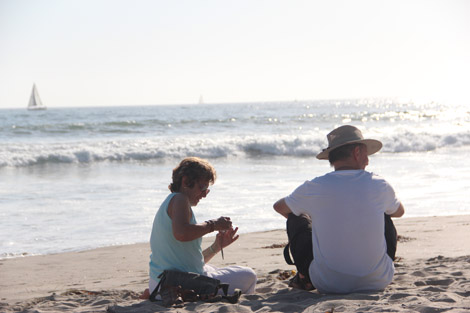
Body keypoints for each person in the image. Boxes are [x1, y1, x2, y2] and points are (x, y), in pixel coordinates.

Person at [273, 125, 405, 294]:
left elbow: (279, 207)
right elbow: (399, 212)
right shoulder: (379, 184)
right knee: (386, 213)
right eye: (366, 154)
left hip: (327, 283)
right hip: (378, 280)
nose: (368, 160)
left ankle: (305, 276)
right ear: (357, 152)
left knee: (295, 216)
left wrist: (319, 220)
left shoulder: (315, 187)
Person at [145, 157, 257, 299]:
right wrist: (213, 224)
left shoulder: (172, 202)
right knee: (249, 275)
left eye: (207, 190)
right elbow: (182, 234)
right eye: (202, 188)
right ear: (185, 182)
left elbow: (190, 263)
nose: (204, 194)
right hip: (173, 285)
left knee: (215, 269)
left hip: (161, 282)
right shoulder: (179, 199)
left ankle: (151, 292)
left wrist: (216, 247)